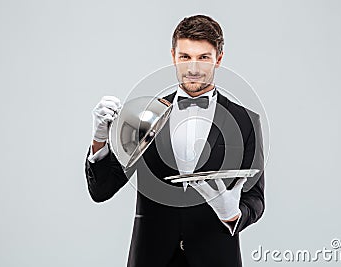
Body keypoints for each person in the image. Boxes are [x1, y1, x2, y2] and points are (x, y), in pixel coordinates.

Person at [85, 14, 265, 267]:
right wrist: (100, 139)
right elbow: (101, 190)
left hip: (216, 257)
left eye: (203, 57)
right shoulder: (144, 116)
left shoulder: (245, 121)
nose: (193, 68)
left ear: (219, 59)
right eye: (185, 57)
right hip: (151, 257)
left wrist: (232, 214)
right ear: (173, 57)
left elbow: (256, 199)